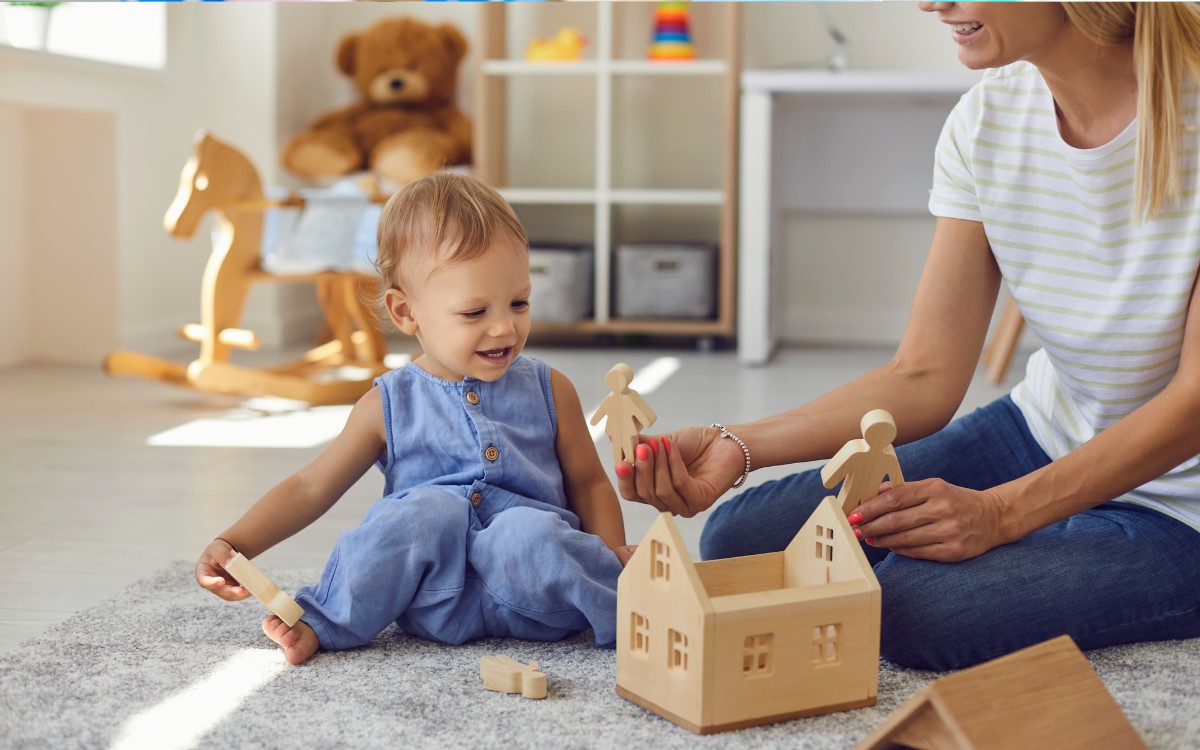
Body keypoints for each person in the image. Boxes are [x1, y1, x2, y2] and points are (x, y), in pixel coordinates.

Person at [618, 2, 1200, 671]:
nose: (930, 2)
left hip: (1182, 506)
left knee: (906, 607)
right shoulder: (988, 119)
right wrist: (737, 446)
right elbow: (924, 374)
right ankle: (1064, 533)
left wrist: (1003, 516)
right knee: (744, 541)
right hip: (1045, 432)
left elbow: (1193, 403)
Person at [195, 172, 634, 665]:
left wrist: (610, 553)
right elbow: (310, 486)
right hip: (432, 599)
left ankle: (632, 610)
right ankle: (325, 621)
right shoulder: (388, 403)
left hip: (538, 593)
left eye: (519, 302)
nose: (504, 326)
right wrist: (235, 543)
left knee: (527, 531)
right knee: (421, 513)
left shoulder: (550, 388)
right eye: (474, 312)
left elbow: (590, 483)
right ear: (406, 313)